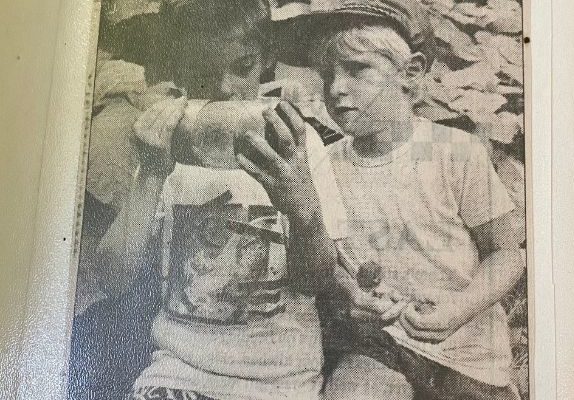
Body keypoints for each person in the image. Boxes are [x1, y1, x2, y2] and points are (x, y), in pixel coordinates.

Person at [77, 0, 348, 399]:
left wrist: (301, 208)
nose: (223, 88)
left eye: (242, 67)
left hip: (278, 380)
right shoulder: (172, 143)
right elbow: (112, 279)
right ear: (181, 69)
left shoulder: (295, 142)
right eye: (204, 73)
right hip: (181, 373)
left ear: (266, 59)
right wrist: (151, 174)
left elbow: (318, 282)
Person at [266, 1, 525, 399]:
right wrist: (348, 295)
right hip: (379, 348)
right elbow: (330, 258)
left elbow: (507, 254)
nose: (335, 88)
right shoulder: (324, 164)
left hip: (470, 358)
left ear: (411, 73)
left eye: (357, 69)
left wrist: (462, 306)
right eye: (326, 74)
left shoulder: (453, 151)